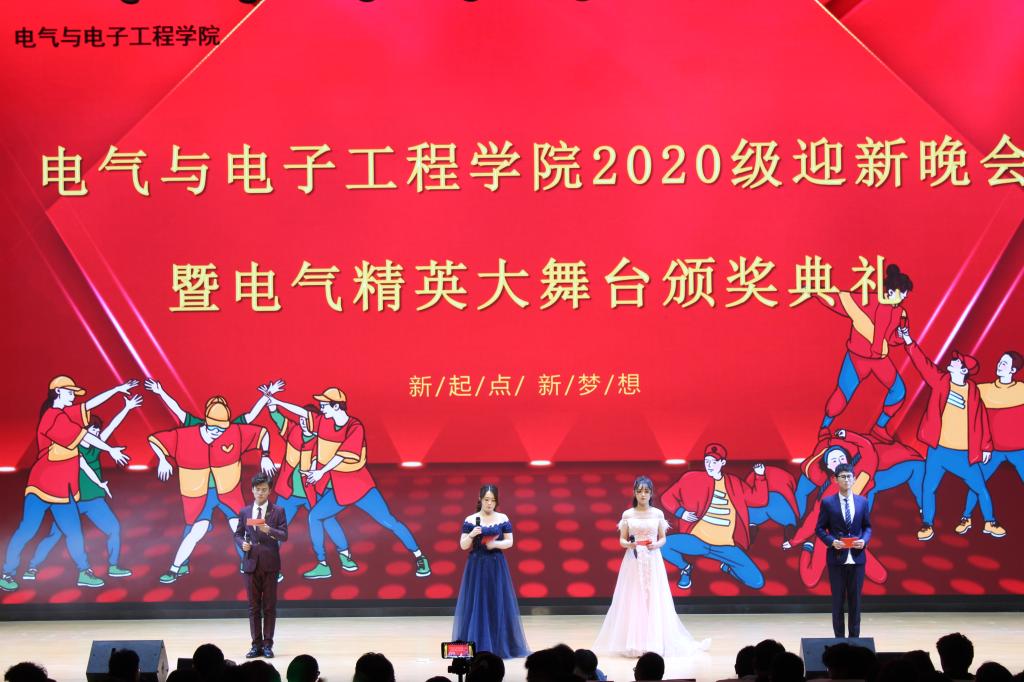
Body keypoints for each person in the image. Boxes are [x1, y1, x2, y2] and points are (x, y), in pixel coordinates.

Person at [268, 387, 430, 578]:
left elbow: (341, 456)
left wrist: (321, 472)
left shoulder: (355, 427)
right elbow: (303, 413)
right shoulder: (324, 422)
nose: (321, 408)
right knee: (316, 516)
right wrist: (277, 402)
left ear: (336, 406)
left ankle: (419, 556)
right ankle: (323, 564)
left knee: (389, 521)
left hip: (360, 486)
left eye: (324, 405)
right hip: (338, 490)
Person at [1, 376, 135, 592]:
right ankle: (7, 572)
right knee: (28, 529)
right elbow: (86, 438)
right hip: (41, 485)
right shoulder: (53, 417)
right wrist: (110, 449)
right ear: (58, 392)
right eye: (70, 392)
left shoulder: (65, 414)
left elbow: (89, 405)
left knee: (74, 532)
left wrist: (117, 389)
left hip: (63, 490)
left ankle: (84, 572)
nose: (74, 396)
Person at [898, 328, 1004, 541]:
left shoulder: (973, 391)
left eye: (957, 361)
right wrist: (908, 339)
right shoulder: (940, 381)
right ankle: (927, 524)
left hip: (963, 454)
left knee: (980, 488)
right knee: (928, 488)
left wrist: (986, 446)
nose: (952, 361)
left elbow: (981, 419)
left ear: (963, 370)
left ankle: (990, 522)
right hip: (938, 450)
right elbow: (923, 363)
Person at [23, 394, 142, 581]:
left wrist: (126, 408)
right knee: (55, 535)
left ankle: (113, 566)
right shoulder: (71, 448)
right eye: (92, 430)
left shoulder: (97, 445)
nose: (96, 433)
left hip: (94, 499)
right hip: (72, 499)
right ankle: (32, 567)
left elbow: (112, 426)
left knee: (114, 528)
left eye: (97, 430)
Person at [594, 476, 709, 657]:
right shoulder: (628, 514)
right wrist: (629, 544)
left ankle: (654, 642)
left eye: (646, 491)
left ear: (651, 493)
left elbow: (663, 538)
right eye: (639, 491)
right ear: (634, 493)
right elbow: (622, 539)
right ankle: (634, 643)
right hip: (633, 560)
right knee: (634, 596)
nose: (643, 494)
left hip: (653, 558)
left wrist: (656, 545)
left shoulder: (657, 514)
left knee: (654, 596)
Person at [818, 264, 913, 440]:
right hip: (856, 359)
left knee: (899, 391)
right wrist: (815, 291)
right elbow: (838, 300)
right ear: (890, 292)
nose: (902, 299)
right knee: (842, 394)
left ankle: (879, 427)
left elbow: (891, 339)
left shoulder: (900, 312)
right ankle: (825, 427)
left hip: (880, 360)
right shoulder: (866, 301)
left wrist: (900, 336)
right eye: (901, 295)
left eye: (905, 296)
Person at [661, 444, 768, 591]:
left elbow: (759, 500)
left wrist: (760, 476)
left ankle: (727, 568)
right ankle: (685, 568)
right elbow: (667, 497)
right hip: (698, 541)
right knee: (663, 545)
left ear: (723, 462)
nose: (709, 465)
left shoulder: (734, 483)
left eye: (714, 462)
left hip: (726, 546)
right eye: (707, 461)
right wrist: (681, 513)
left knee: (757, 582)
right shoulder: (692, 478)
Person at [452, 484, 529, 659]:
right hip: (476, 566)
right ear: (480, 499)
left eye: (493, 500)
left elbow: (510, 541)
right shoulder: (471, 519)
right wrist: (471, 534)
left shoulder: (502, 518)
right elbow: (463, 545)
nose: (489, 503)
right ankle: (476, 646)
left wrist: (495, 544)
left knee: (497, 601)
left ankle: (500, 646)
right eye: (486, 500)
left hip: (496, 565)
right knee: (476, 603)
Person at [960, 351, 1024, 533]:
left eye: (1004, 363)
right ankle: (966, 517)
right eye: (1000, 361)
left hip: (1019, 449)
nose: (999, 365)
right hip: (992, 450)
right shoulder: (984, 390)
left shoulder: (1022, 390)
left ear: (1013, 370)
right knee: (976, 482)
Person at [234, 473, 288, 659]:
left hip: (270, 563)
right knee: (253, 607)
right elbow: (238, 534)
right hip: (251, 563)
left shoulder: (278, 511)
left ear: (270, 490)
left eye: (264, 489)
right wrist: (242, 544)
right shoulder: (245, 512)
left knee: (269, 607)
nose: (260, 493)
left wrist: (269, 529)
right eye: (257, 489)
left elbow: (284, 535)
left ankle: (267, 645)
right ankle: (255, 645)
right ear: (252, 490)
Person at [815, 463, 872, 638]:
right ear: (835, 480)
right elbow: (819, 528)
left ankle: (855, 639)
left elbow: (867, 527)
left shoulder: (863, 502)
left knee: (855, 602)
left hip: (857, 558)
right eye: (843, 477)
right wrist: (832, 542)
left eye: (849, 476)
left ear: (854, 479)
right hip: (837, 558)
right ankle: (838, 640)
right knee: (837, 602)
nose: (846, 480)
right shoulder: (827, 502)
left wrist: (864, 540)